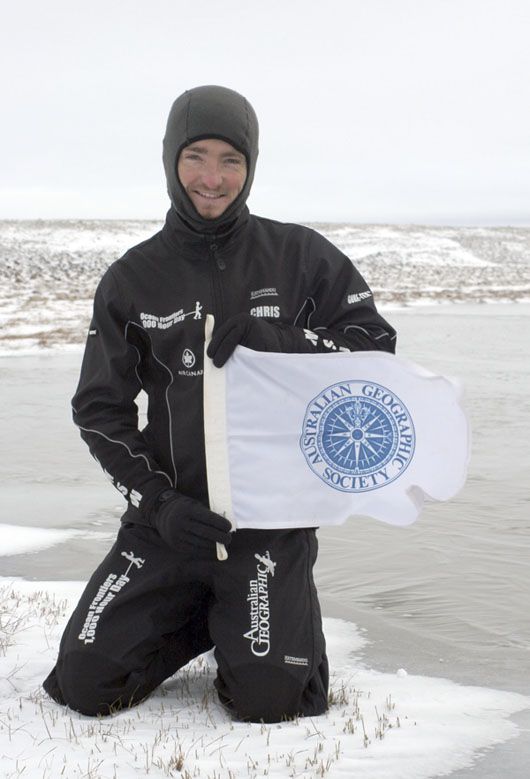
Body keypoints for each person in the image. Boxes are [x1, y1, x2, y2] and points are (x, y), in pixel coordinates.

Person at [43, 85, 396, 722]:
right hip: (170, 523)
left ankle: (260, 626)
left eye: (231, 159)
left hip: (268, 523)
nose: (213, 177)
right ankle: (207, 617)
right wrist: (159, 504)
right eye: (196, 156)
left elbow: (375, 352)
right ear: (170, 163)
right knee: (85, 685)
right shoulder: (133, 277)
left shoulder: (300, 255)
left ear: (251, 165)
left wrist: (282, 340)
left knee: (274, 703)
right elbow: (101, 409)